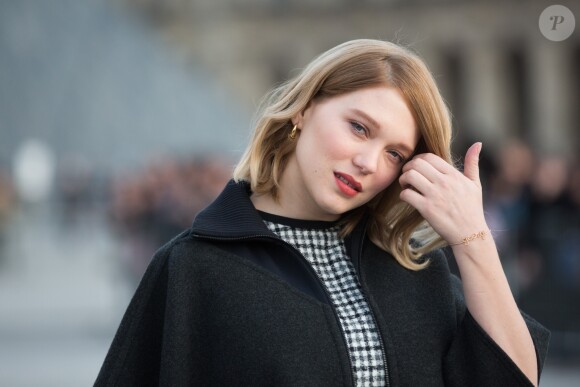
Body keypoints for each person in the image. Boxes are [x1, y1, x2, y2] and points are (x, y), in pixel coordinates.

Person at [95, 39, 549, 386]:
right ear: (303, 110)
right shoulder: (195, 268)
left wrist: (473, 238)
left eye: (394, 153)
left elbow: (518, 379)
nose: (369, 162)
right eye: (358, 127)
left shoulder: (412, 269)